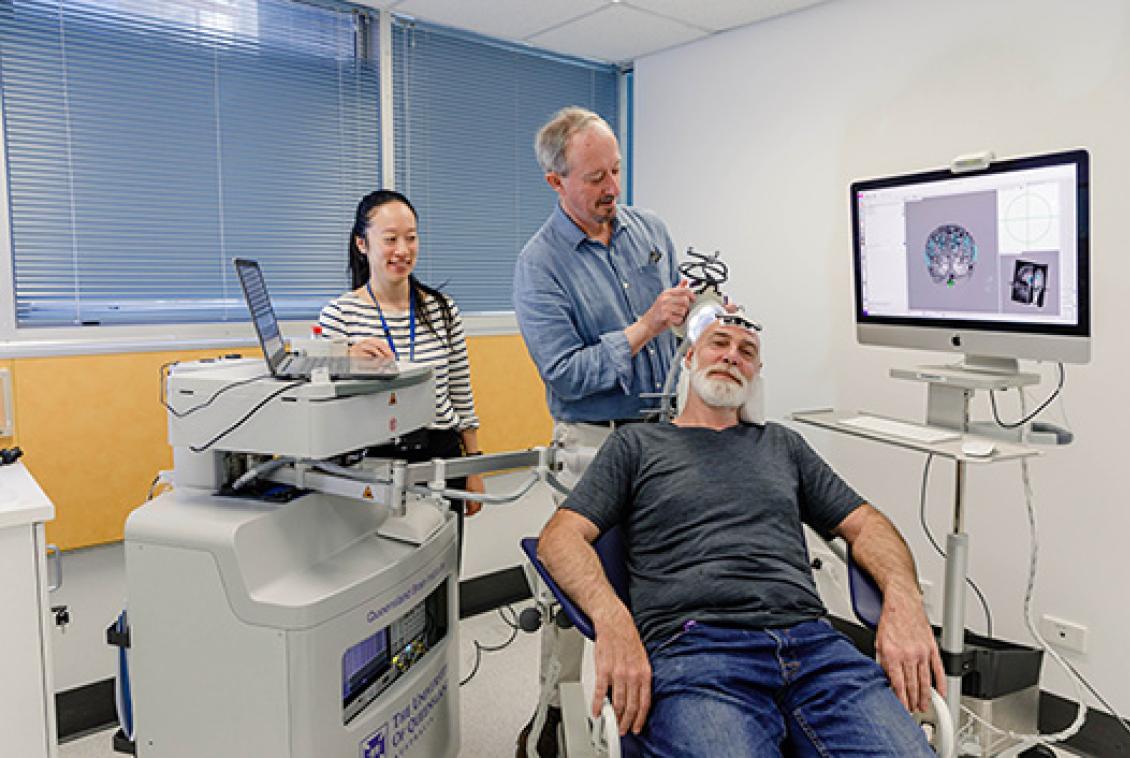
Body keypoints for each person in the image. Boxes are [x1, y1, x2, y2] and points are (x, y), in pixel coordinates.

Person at [536, 315, 946, 757]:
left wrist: (905, 601)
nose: (732, 356)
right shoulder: (637, 446)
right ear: (690, 357)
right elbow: (560, 537)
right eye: (719, 343)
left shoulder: (784, 446)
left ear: (756, 374)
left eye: (747, 352)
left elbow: (868, 524)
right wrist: (613, 620)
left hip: (815, 648)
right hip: (697, 653)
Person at [513, 105, 697, 757]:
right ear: (555, 182)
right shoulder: (539, 266)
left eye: (616, 170)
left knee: (656, 582)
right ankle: (557, 716)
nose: (611, 188)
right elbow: (565, 374)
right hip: (592, 444)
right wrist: (645, 326)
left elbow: (677, 324)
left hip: (662, 432)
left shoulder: (650, 231)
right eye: (594, 177)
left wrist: (700, 325)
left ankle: (652, 715)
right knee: (586, 595)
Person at [319, 189, 485, 552]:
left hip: (440, 454)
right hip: (373, 462)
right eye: (390, 239)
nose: (402, 250)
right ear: (363, 244)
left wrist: (473, 464)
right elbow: (321, 390)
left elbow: (460, 390)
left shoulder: (443, 310)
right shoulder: (340, 314)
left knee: (443, 569)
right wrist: (345, 357)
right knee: (378, 574)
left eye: (411, 238)